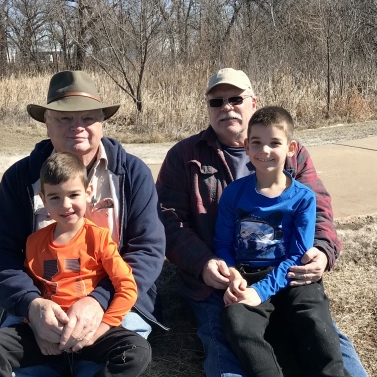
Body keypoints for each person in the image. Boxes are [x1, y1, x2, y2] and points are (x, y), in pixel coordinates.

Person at [155, 68, 366, 376]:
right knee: (230, 353)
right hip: (227, 280)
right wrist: (204, 262)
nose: (226, 107)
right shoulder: (185, 157)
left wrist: (321, 250)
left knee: (326, 343)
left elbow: (318, 206)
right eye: (217, 102)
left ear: (253, 103)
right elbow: (168, 220)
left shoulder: (291, 151)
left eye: (236, 98)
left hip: (289, 273)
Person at [0, 70, 166, 376]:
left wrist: (99, 302)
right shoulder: (20, 178)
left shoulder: (133, 173)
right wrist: (31, 305)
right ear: (46, 122)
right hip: (42, 308)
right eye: (64, 118)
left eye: (88, 118)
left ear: (102, 123)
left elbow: (148, 250)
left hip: (110, 301)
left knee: (131, 354)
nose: (78, 127)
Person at [0, 152, 152, 376]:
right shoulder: (34, 242)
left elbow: (127, 286)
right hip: (48, 336)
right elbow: (34, 290)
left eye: (74, 195)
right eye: (55, 197)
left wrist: (100, 329)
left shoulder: (100, 239)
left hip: (92, 333)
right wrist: (36, 327)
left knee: (136, 351)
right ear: (43, 199)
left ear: (88, 193)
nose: (66, 205)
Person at [213, 106, 349, 376]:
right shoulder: (233, 194)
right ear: (246, 147)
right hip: (248, 275)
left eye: (275, 143)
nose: (264, 151)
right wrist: (232, 275)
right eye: (257, 143)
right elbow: (223, 244)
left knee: (315, 323)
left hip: (294, 276)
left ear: (291, 147)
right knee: (237, 324)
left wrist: (261, 292)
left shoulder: (303, 198)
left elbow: (299, 254)